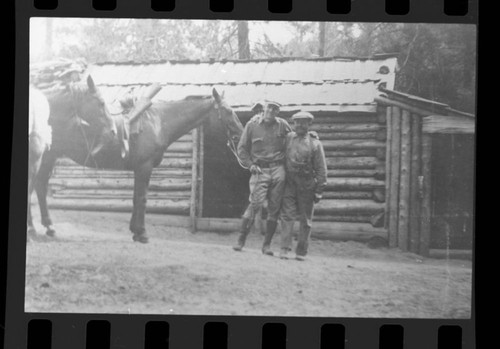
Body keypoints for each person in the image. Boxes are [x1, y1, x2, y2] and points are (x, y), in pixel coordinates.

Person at [233, 100, 292, 255]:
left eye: (275, 109)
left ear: (278, 112)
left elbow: (293, 141)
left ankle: (266, 246)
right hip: (260, 170)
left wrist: (310, 136)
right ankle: (241, 241)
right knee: (255, 204)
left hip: (279, 169)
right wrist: (250, 164)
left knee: (275, 208)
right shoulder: (252, 126)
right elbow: (242, 149)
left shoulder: (283, 125)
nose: (271, 111)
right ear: (263, 109)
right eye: (269, 108)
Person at [279, 111, 327, 261]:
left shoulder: (315, 143)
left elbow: (321, 168)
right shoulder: (288, 139)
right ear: (293, 124)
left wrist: (319, 190)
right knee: (287, 216)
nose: (299, 125)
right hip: (290, 183)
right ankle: (284, 249)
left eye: (303, 122)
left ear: (309, 124)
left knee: (306, 219)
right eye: (297, 122)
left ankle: (301, 251)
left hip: (307, 184)